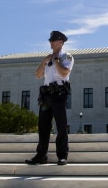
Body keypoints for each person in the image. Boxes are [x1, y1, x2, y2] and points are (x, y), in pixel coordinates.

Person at [25, 31, 74, 166]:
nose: (50, 43)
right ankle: (41, 155)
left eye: (53, 40)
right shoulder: (47, 58)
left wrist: (56, 60)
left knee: (61, 126)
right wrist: (44, 61)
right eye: (50, 40)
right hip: (46, 96)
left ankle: (62, 155)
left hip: (59, 95)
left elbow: (64, 73)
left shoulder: (66, 57)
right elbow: (38, 75)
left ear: (60, 42)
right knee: (43, 126)